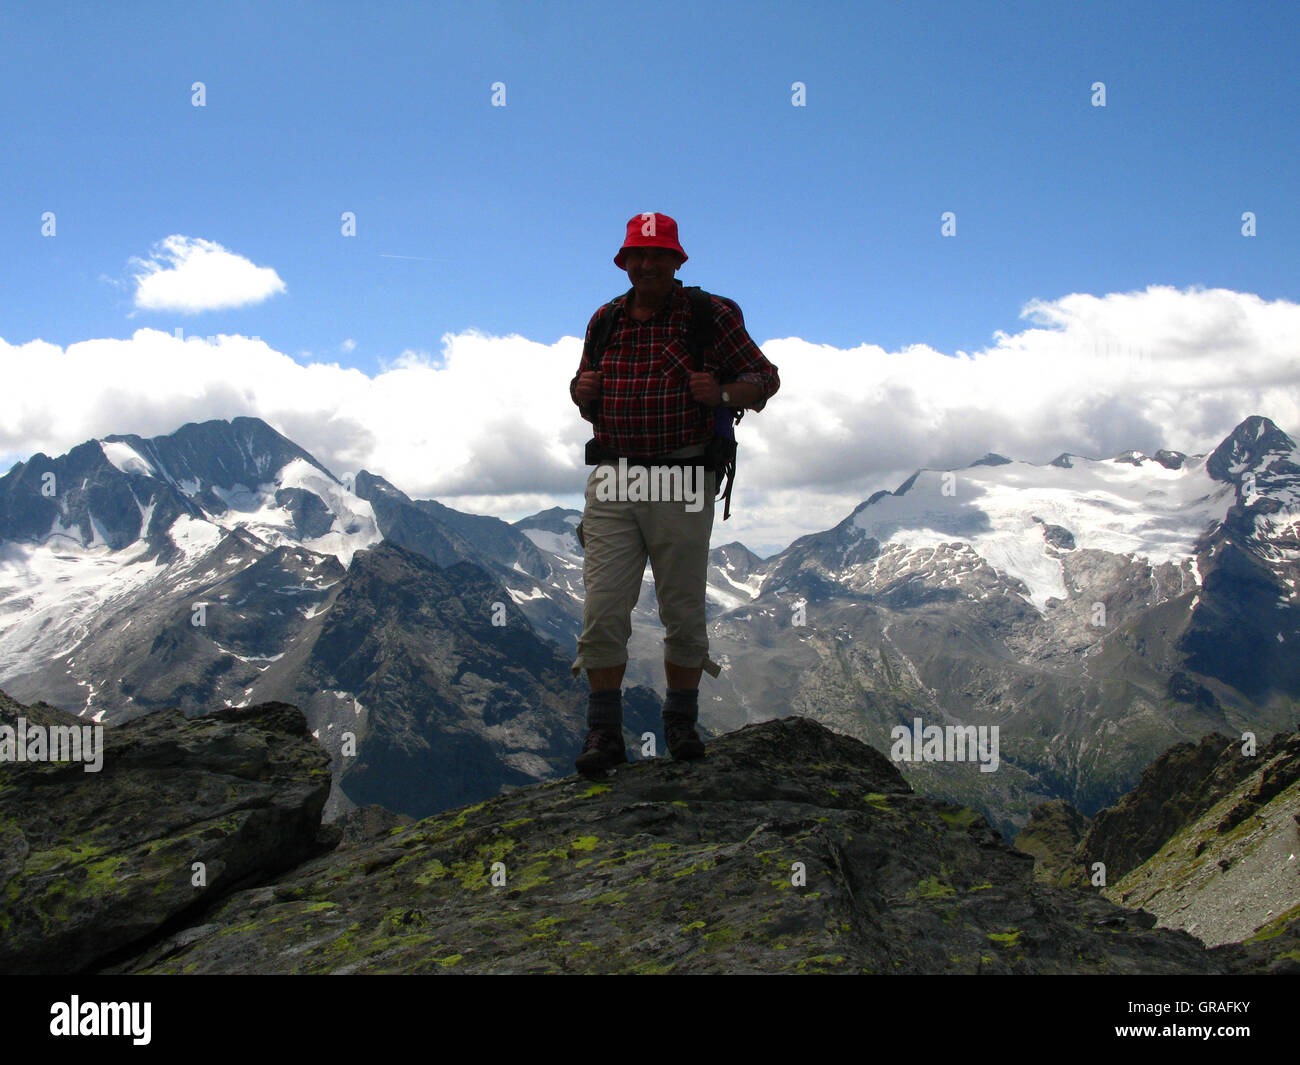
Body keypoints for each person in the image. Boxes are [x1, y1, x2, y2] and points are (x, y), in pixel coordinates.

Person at [567, 211, 780, 775]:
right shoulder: (605, 319)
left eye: (657, 255)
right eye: (636, 255)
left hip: (683, 476)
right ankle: (603, 734)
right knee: (603, 607)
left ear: (677, 259)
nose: (645, 264)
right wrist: (577, 390)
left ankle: (680, 722)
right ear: (623, 261)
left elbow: (765, 380)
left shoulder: (711, 315)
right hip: (614, 476)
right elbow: (589, 391)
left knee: (681, 608)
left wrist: (724, 391)